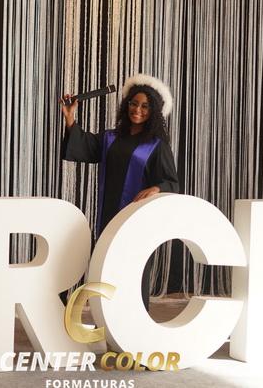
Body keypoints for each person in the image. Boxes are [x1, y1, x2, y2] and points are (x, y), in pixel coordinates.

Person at [60, 73, 180, 309]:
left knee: (134, 267)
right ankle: (108, 315)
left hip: (137, 218)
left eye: (145, 106)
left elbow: (171, 182)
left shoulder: (156, 146)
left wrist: (156, 187)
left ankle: (134, 316)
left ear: (153, 111)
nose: (137, 110)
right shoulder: (111, 138)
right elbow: (86, 147)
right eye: (134, 104)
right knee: (108, 264)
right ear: (127, 105)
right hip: (109, 215)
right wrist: (70, 118)